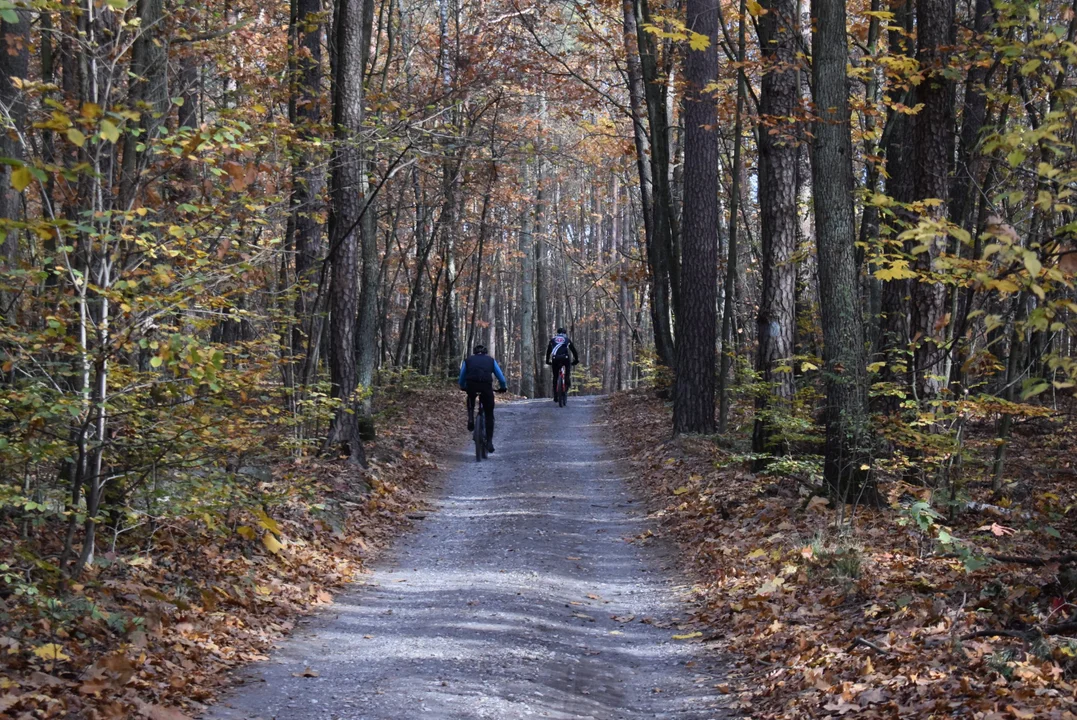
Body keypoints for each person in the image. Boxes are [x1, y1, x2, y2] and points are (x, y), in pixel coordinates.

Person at [458, 344, 507, 453]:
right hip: (486, 387)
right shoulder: (491, 360)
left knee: (470, 397)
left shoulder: (468, 360)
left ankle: (470, 418)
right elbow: (501, 377)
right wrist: (503, 387)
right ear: (485, 352)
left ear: (475, 352)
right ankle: (489, 442)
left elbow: (462, 377)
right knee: (489, 414)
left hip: (471, 385)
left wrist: (462, 386)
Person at [544, 327, 579, 400]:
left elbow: (548, 351)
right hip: (565, 358)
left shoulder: (553, 340)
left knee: (555, 376)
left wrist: (547, 360)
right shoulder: (567, 340)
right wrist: (576, 360)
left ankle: (555, 395)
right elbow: (573, 350)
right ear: (565, 333)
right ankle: (566, 382)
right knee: (567, 372)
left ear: (557, 333)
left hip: (555, 358)